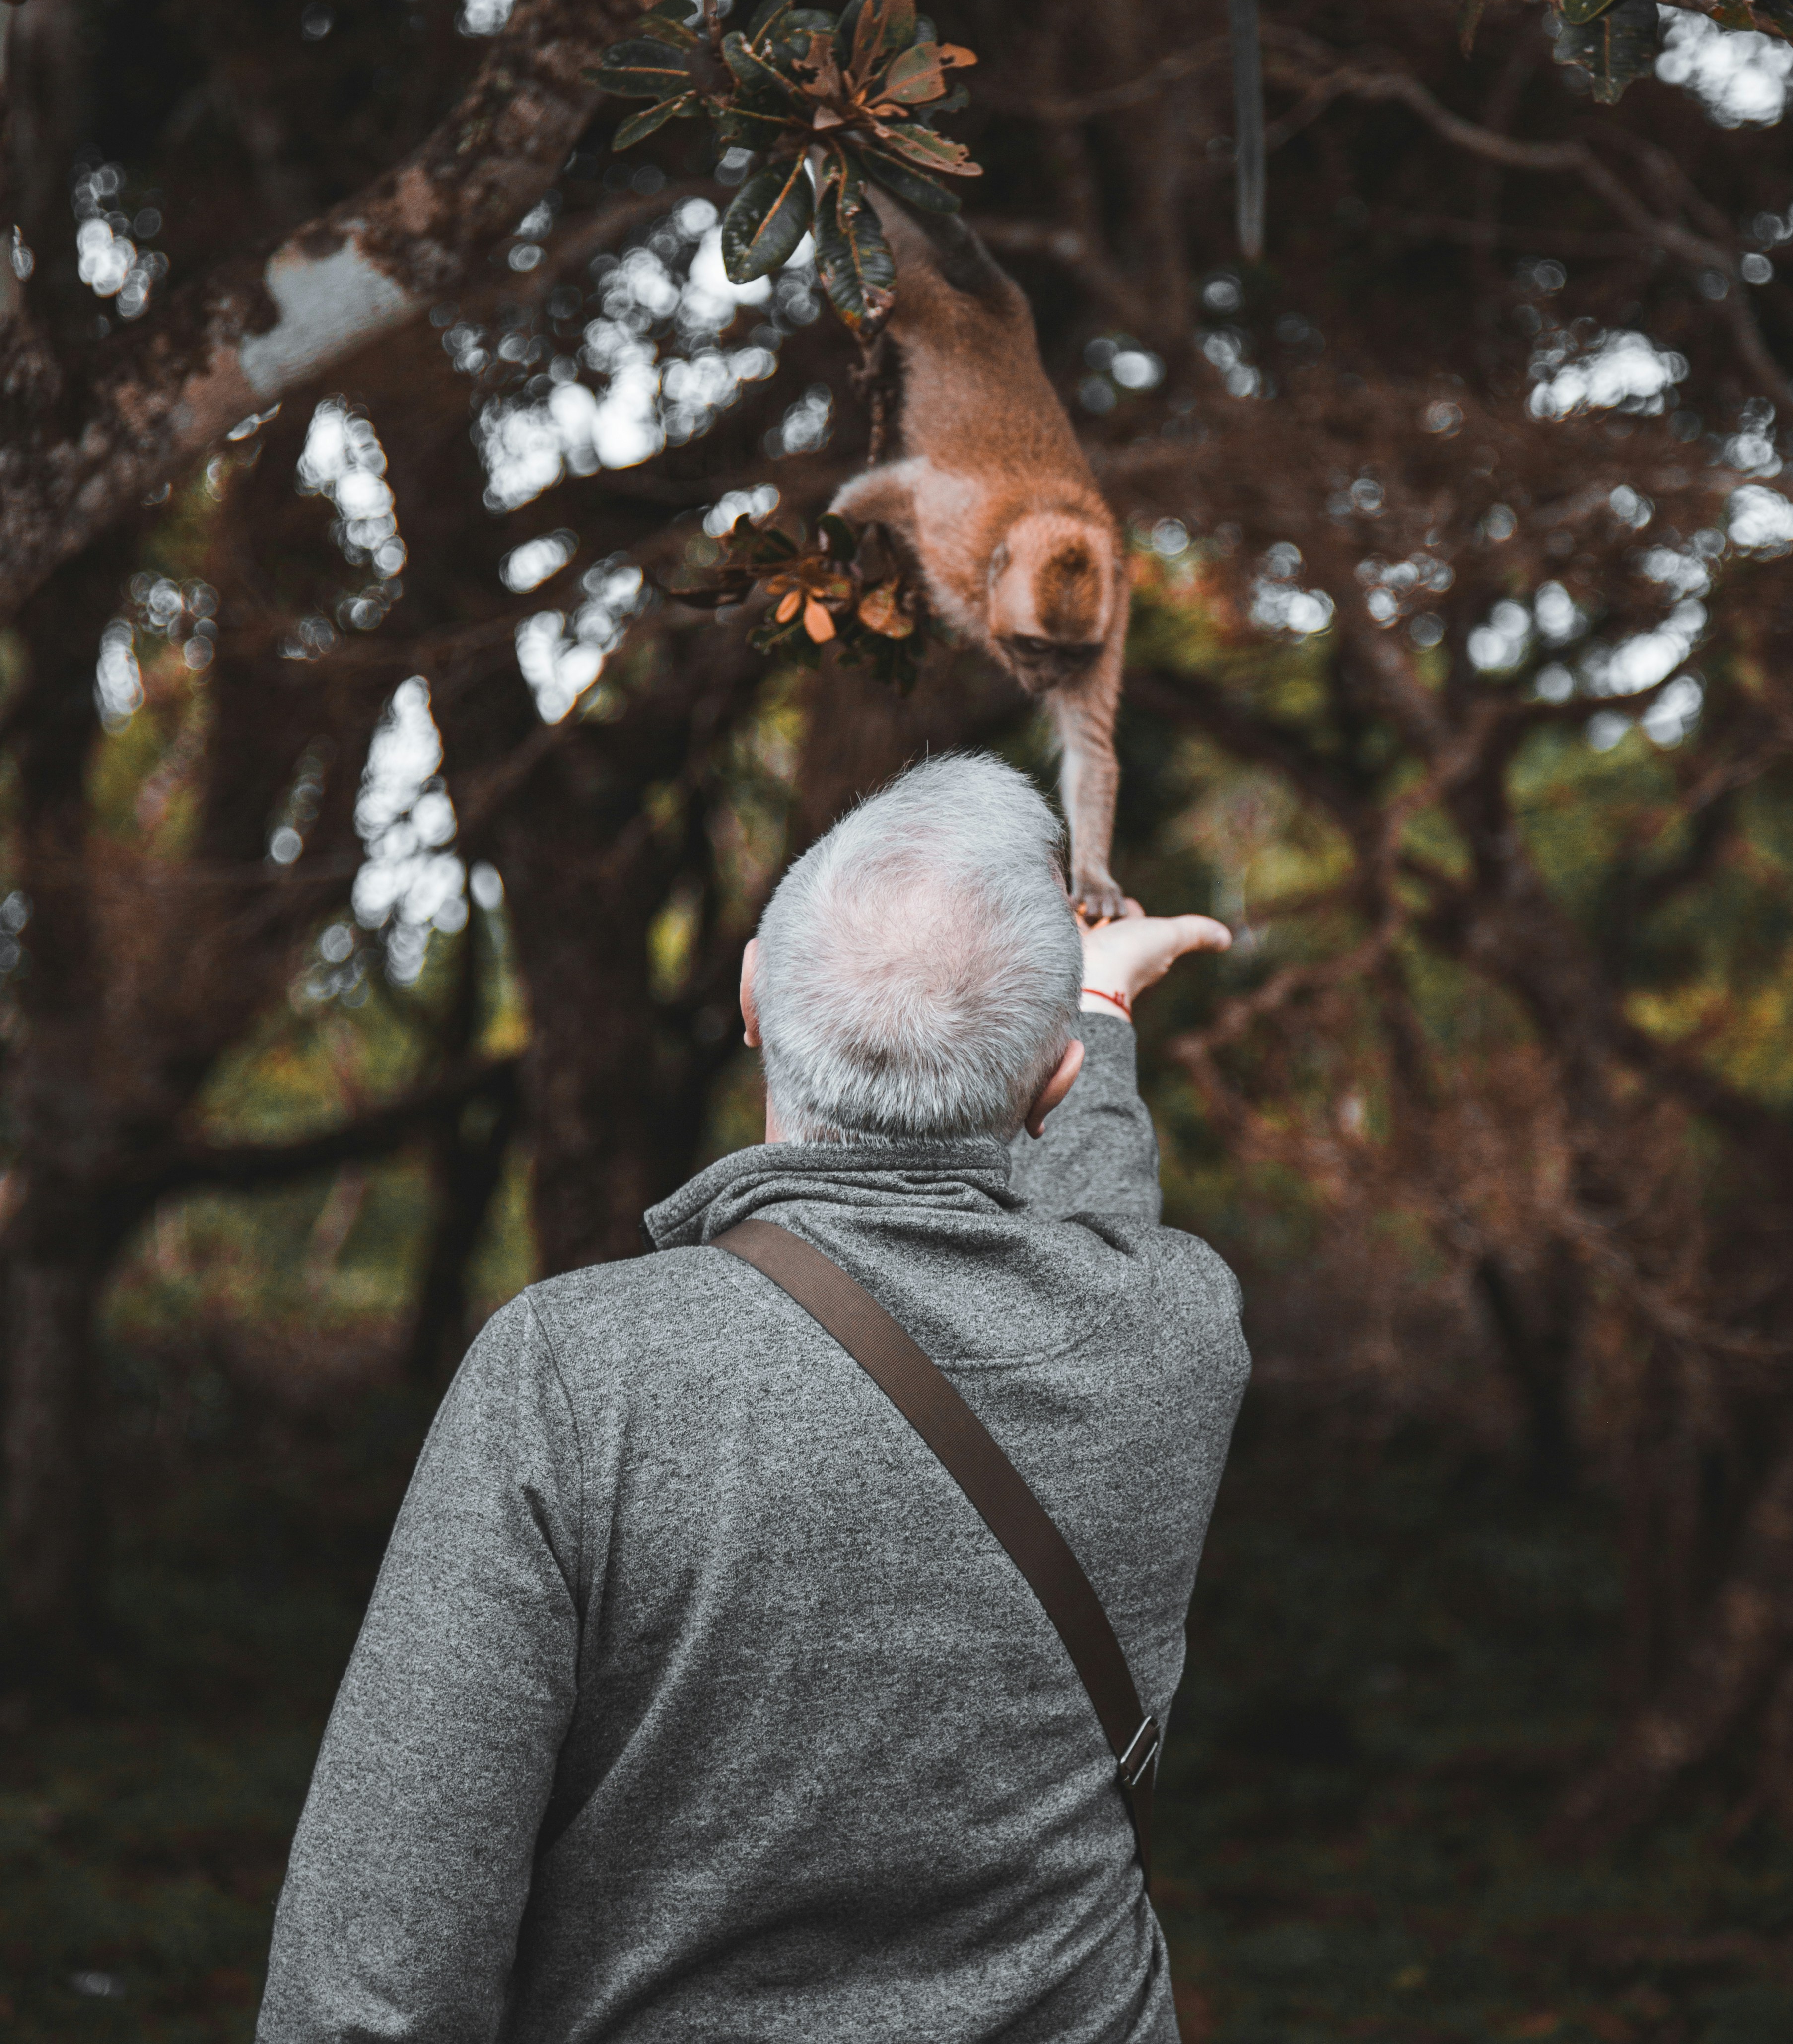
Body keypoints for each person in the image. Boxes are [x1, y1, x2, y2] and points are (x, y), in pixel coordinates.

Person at [257, 751, 1250, 2044]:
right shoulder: (1178, 1333)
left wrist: (1080, 1027)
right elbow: (1091, 1230)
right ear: (1055, 1080)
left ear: (748, 997)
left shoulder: (576, 1374)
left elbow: (376, 1984)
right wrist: (1096, 1020)